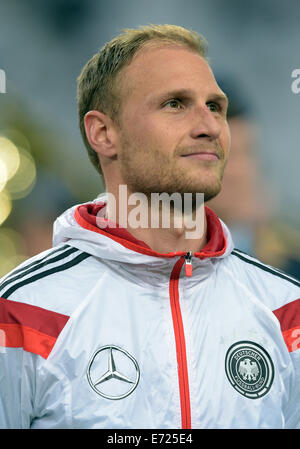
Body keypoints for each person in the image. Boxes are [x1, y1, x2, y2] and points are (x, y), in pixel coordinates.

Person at [0, 24, 299, 430]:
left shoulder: (286, 309)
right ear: (103, 133)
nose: (209, 126)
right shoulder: (21, 311)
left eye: (215, 107)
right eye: (175, 104)